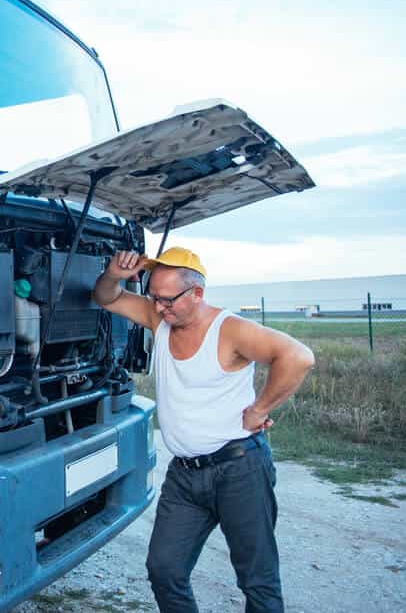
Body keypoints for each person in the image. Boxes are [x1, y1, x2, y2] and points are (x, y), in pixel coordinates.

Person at [93, 246, 314, 613]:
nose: (159, 308)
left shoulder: (230, 330)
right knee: (164, 569)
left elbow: (298, 356)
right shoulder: (159, 317)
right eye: (154, 298)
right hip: (185, 475)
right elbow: (106, 297)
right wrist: (114, 273)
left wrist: (260, 409)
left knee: (258, 580)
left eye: (168, 300)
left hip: (239, 470)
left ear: (197, 293)